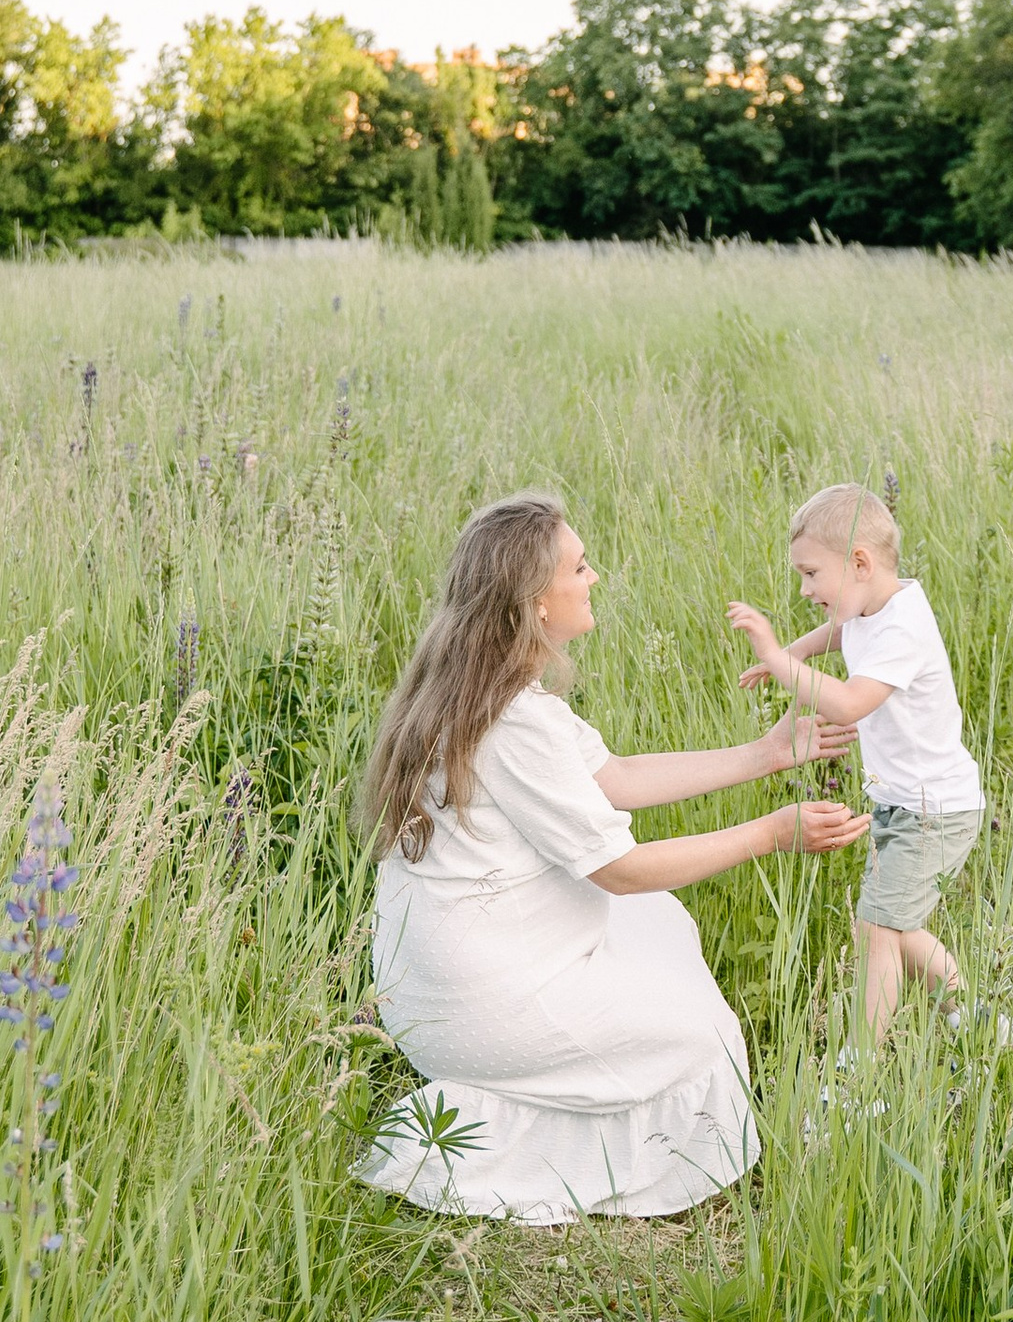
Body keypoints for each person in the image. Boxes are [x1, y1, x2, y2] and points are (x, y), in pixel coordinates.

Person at [357, 492, 866, 1223]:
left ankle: (521, 1098)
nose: (594, 578)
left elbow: (615, 778)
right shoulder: (512, 721)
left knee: (658, 924)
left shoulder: (486, 688)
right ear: (534, 603)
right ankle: (510, 1136)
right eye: (581, 566)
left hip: (440, 977)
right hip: (475, 1002)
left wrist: (768, 753)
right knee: (707, 1042)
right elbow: (616, 869)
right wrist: (770, 833)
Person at [726, 483, 983, 1039]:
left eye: (811, 574)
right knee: (900, 924)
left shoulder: (903, 628)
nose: (802, 588)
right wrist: (793, 654)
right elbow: (842, 633)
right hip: (901, 804)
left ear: (860, 563)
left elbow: (848, 702)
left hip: (933, 809)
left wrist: (773, 652)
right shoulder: (875, 604)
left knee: (875, 928)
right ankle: (976, 1020)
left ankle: (862, 1068)